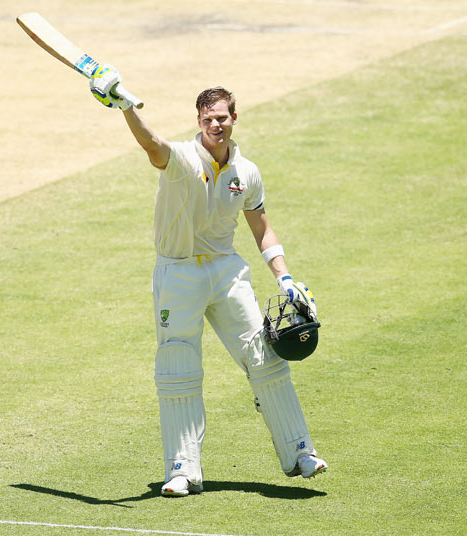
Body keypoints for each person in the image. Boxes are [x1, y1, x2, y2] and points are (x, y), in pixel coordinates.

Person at [90, 66, 327, 497]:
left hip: (225, 270)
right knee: (178, 366)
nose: (215, 124)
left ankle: (300, 452)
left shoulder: (247, 171)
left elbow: (262, 229)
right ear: (199, 122)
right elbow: (152, 144)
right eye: (207, 119)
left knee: (264, 355)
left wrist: (285, 276)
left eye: (222, 117)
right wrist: (125, 106)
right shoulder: (181, 159)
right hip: (178, 272)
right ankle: (182, 470)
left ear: (234, 118)